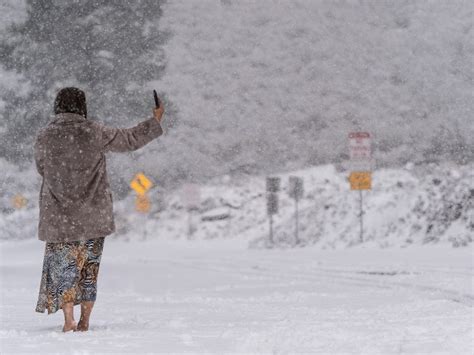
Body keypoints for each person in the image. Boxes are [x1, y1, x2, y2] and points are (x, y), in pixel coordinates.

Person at [34, 87, 164, 332]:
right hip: (93, 215)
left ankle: (68, 318)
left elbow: (42, 168)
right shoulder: (95, 132)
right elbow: (130, 139)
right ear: (82, 106)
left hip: (60, 217)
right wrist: (155, 120)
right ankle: (85, 320)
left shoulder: (45, 136)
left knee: (64, 267)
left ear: (58, 106)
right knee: (88, 268)